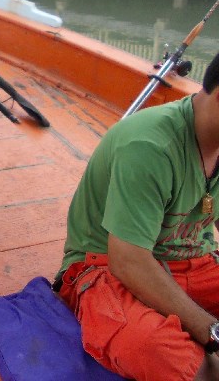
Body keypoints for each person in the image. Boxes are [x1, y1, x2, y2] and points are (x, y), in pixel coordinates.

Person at [56, 50, 219, 381]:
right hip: (108, 268)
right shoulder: (150, 144)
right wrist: (210, 330)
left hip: (192, 263)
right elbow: (128, 262)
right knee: (150, 348)